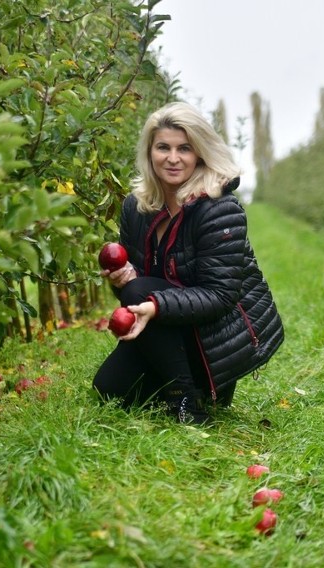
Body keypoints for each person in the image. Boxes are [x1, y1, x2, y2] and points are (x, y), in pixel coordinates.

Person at [92, 101, 284, 424]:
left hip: (217, 338)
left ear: (199, 153)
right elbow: (138, 291)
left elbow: (222, 296)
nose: (173, 158)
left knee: (142, 292)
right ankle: (191, 385)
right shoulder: (136, 208)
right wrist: (123, 281)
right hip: (170, 332)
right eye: (162, 147)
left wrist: (152, 304)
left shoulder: (219, 208)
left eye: (184, 148)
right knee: (108, 390)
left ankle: (186, 402)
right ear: (149, 152)